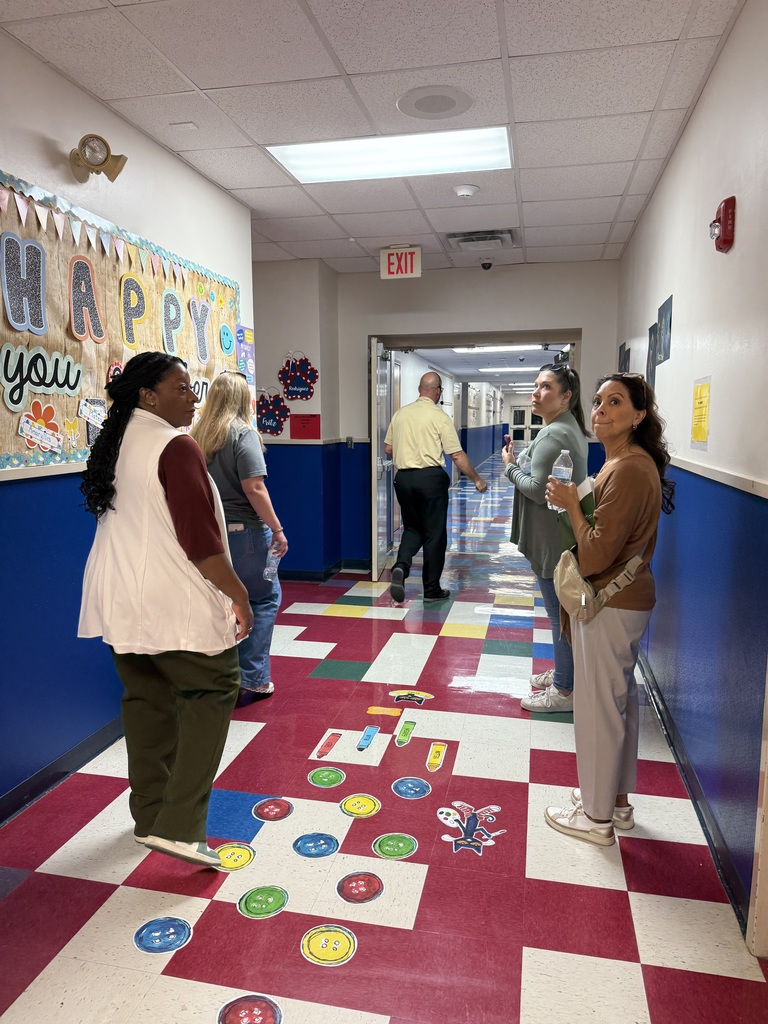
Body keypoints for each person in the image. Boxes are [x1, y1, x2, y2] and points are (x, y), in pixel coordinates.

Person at [78, 353, 253, 868]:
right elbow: (201, 544)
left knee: (148, 701)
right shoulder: (175, 446)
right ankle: (180, 828)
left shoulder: (118, 441)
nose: (193, 398)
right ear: (148, 396)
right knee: (214, 688)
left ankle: (150, 817)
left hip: (118, 597)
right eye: (181, 388)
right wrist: (239, 595)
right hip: (169, 598)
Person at [543, 373, 675, 845]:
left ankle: (595, 819)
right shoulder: (623, 462)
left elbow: (598, 553)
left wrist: (571, 506)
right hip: (623, 601)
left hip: (610, 602)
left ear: (638, 415)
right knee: (617, 704)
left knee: (598, 710)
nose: (601, 410)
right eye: (598, 401)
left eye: (615, 402)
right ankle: (615, 804)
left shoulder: (629, 468)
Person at [191, 372, 287, 705]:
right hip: (246, 534)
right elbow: (254, 487)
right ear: (243, 399)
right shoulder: (243, 434)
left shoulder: (196, 437)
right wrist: (277, 529)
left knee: (221, 601)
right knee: (263, 598)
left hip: (209, 534)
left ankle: (219, 676)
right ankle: (254, 679)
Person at [501, 364, 589, 713]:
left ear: (566, 397)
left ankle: (565, 691)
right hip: (558, 534)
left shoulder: (554, 435)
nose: (536, 393)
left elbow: (538, 490)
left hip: (553, 539)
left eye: (546, 387)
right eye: (536, 385)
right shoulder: (564, 428)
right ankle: (565, 672)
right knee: (561, 614)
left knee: (559, 616)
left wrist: (510, 466)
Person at [384, 371, 487, 603]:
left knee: (412, 528)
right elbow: (456, 455)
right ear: (438, 391)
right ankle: (431, 590)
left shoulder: (400, 414)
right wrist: (476, 479)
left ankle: (401, 566)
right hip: (430, 479)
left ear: (419, 389)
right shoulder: (439, 416)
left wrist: (408, 451)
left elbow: (388, 449)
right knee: (435, 534)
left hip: (404, 480)